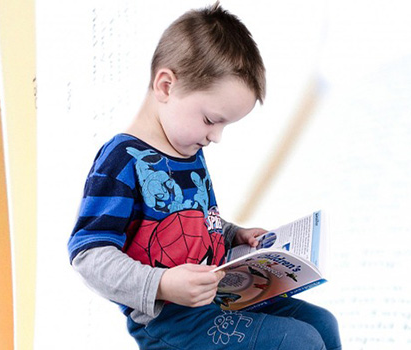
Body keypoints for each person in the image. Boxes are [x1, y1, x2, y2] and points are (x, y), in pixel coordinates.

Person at [66, 4, 340, 349]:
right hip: (170, 321)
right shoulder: (121, 160)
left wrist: (232, 234)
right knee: (295, 341)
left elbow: (195, 220)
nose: (216, 137)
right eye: (212, 120)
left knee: (321, 324)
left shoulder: (188, 150)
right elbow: (88, 253)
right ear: (165, 86)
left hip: (216, 298)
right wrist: (162, 283)